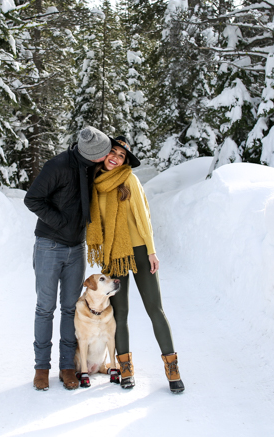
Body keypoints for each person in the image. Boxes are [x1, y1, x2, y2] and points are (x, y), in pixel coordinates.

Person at [86, 136, 184, 393]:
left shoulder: (129, 179)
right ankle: (126, 369)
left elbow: (144, 215)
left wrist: (151, 251)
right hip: (113, 255)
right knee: (120, 315)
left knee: (155, 309)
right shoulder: (95, 183)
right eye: (113, 152)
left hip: (139, 250)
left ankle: (172, 369)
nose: (115, 157)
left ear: (125, 161)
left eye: (121, 155)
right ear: (105, 155)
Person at [24, 126, 111, 391]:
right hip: (50, 246)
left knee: (71, 309)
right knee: (45, 308)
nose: (106, 159)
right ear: (92, 155)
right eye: (103, 155)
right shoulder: (57, 166)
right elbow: (32, 199)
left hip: (77, 249)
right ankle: (41, 368)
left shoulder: (90, 168)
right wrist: (61, 222)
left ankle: (67, 366)